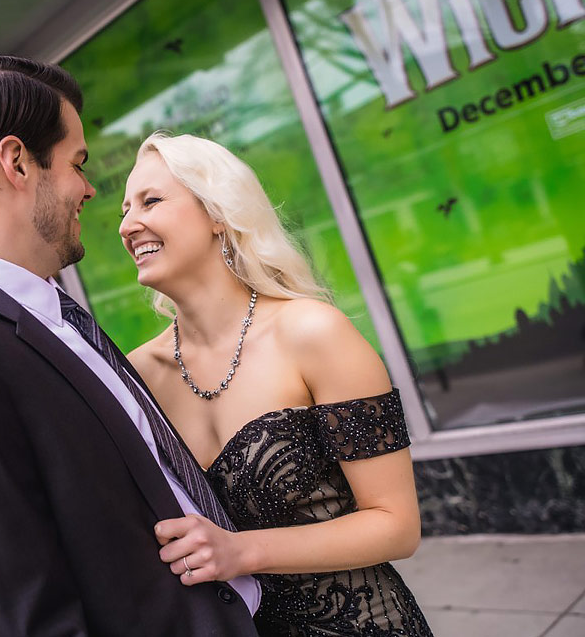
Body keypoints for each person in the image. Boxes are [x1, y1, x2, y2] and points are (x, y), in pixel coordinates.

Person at [0, 57, 261, 636]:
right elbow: (0, 617)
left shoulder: (47, 310)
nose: (90, 188)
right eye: (77, 163)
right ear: (17, 162)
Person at [121, 132, 434, 636]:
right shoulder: (139, 376)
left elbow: (397, 524)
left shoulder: (313, 333)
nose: (128, 224)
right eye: (124, 209)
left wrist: (241, 551)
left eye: (151, 201)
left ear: (218, 214)